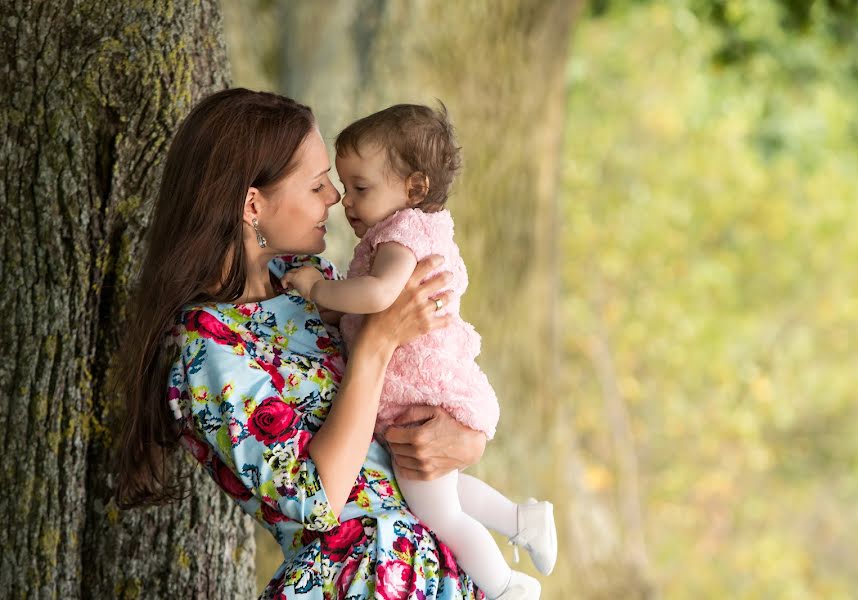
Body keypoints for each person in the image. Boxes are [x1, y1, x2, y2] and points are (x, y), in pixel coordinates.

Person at [115, 88, 493, 599]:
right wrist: (376, 344)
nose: (336, 198)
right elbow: (316, 500)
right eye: (318, 185)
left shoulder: (309, 281)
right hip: (357, 580)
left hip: (436, 570)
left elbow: (421, 372)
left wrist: (463, 437)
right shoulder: (206, 349)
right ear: (253, 203)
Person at [281, 103, 556, 600]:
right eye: (344, 185)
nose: (345, 201)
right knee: (438, 492)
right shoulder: (403, 231)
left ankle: (505, 586)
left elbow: (380, 297)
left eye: (360, 187)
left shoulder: (403, 234)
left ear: (413, 188)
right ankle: (522, 520)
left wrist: (319, 290)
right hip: (421, 388)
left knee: (438, 511)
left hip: (419, 388)